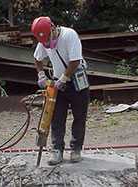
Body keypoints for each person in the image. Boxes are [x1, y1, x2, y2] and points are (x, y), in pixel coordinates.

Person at [31, 16, 90, 165]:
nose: (45, 43)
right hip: (58, 83)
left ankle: (76, 148)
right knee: (56, 118)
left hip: (76, 81)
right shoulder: (43, 41)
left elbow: (75, 60)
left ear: (52, 28)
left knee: (79, 116)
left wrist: (64, 78)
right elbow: (37, 58)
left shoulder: (69, 35)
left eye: (47, 39)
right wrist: (41, 74)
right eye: (42, 41)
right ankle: (57, 150)